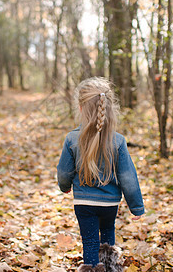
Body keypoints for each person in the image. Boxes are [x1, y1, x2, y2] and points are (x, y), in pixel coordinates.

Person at [57, 77, 145, 272]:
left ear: (80, 109)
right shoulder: (118, 141)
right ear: (109, 109)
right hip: (109, 203)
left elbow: (63, 171)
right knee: (107, 235)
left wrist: (65, 187)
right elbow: (128, 177)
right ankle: (110, 267)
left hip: (84, 203)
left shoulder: (72, 139)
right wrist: (136, 207)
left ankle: (90, 268)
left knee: (89, 241)